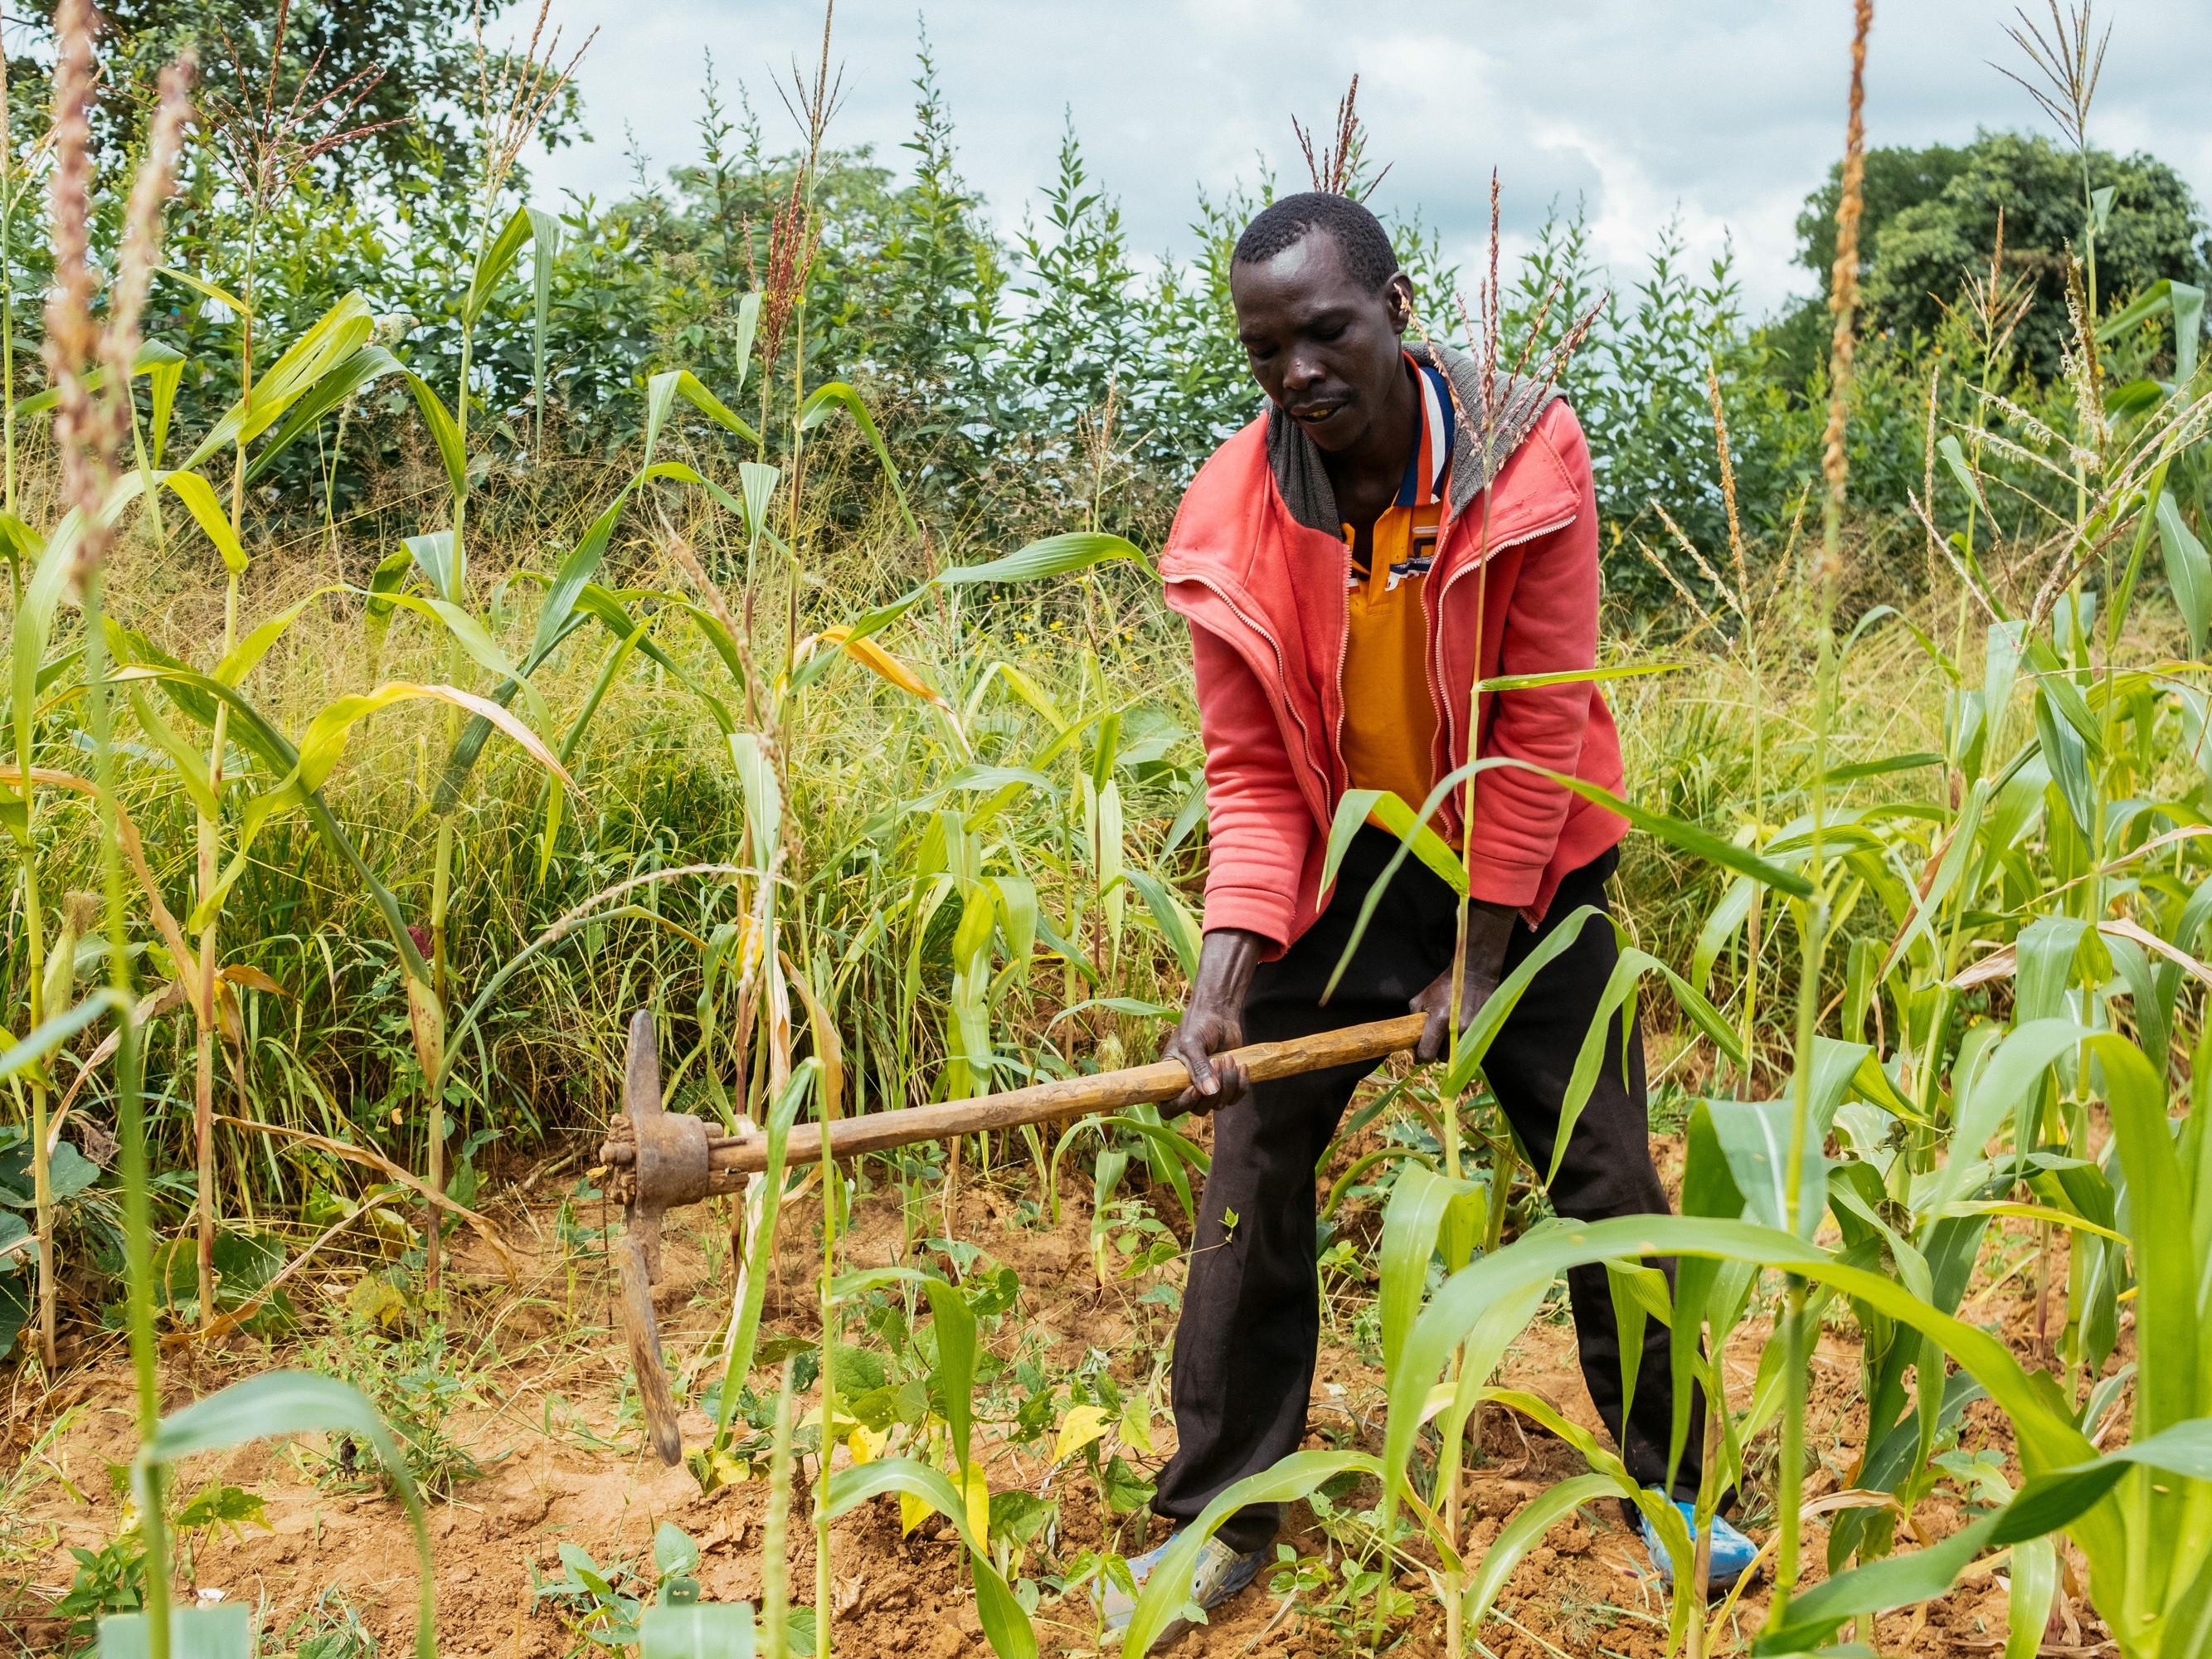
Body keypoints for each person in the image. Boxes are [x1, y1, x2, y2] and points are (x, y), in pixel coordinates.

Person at [1100, 192, 1757, 1637]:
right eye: (1264, 350)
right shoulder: (1234, 515)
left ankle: (1681, 1497)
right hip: (1351, 867)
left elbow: (1531, 732)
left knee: (1599, 1171)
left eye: (1326, 331)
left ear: (1396, 303)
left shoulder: (1527, 456)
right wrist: (1227, 971)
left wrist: (1481, 957)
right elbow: (1259, 778)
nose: (1298, 375)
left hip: (1527, 862)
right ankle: (1219, 1509)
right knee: (1251, 1165)